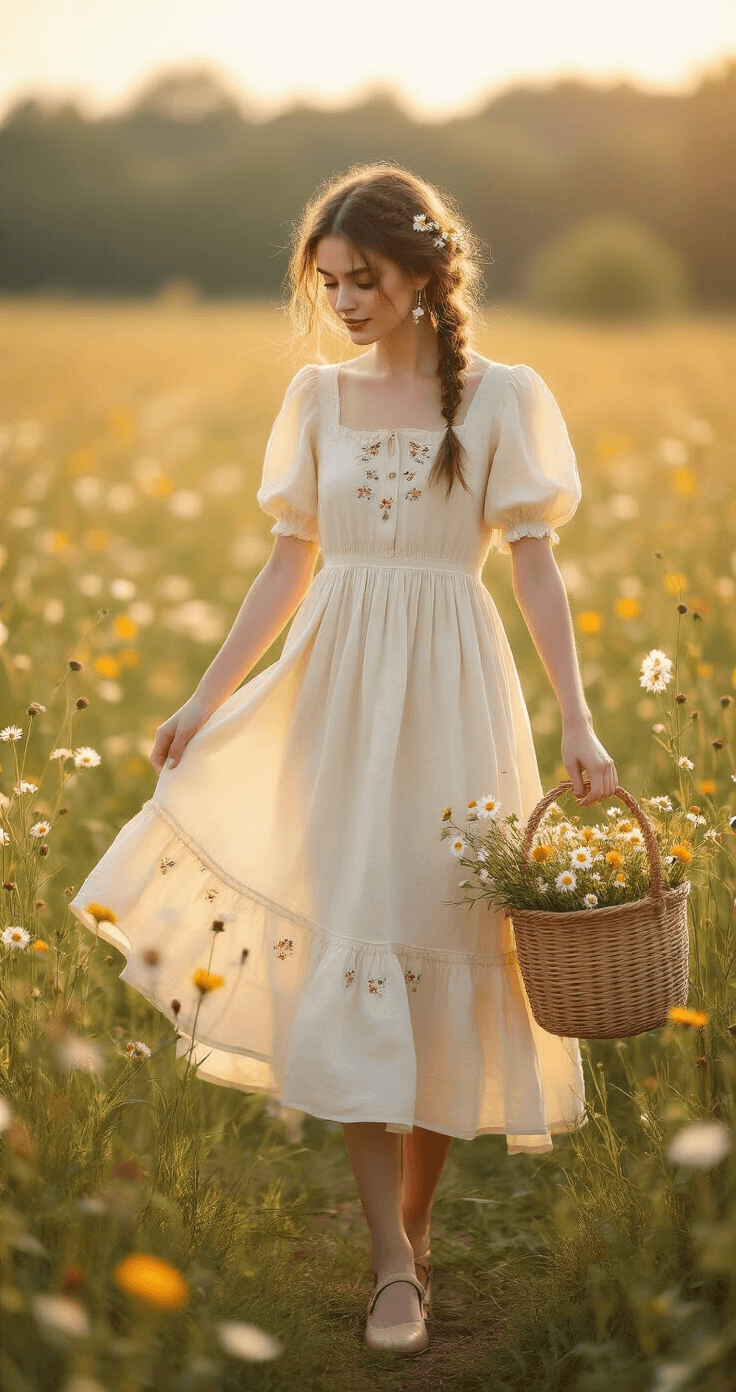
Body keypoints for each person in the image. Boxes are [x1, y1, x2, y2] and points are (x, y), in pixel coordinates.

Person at [69, 161, 618, 1357]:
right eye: (326, 283)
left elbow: (533, 565)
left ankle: (415, 1227)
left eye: (362, 279)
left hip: (455, 694)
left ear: (426, 271)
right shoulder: (317, 400)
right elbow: (286, 563)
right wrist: (206, 698)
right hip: (334, 695)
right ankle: (387, 1268)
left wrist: (576, 720)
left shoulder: (502, 397)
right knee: (354, 934)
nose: (343, 302)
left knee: (440, 949)